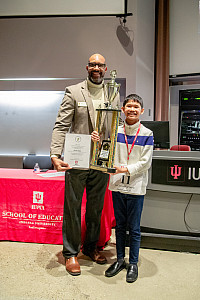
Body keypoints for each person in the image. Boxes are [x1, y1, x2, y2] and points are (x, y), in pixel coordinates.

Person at [50, 53, 120, 276]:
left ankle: (90, 248)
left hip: (101, 161)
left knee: (95, 209)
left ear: (106, 69)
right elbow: (61, 125)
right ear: (87, 67)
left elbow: (114, 126)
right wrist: (55, 154)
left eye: (100, 65)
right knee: (72, 209)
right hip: (76, 160)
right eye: (93, 64)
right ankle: (70, 253)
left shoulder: (113, 93)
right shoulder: (73, 91)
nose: (96, 67)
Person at [104, 94, 154, 283]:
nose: (132, 109)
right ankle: (119, 260)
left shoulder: (147, 133)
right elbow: (105, 153)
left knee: (133, 228)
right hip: (117, 185)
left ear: (141, 111)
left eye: (136, 106)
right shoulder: (115, 131)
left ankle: (133, 263)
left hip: (135, 187)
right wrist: (96, 141)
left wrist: (125, 169)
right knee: (120, 226)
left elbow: (145, 162)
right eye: (129, 106)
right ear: (123, 110)